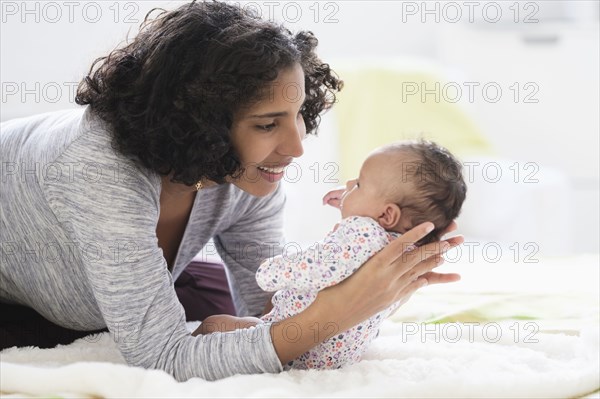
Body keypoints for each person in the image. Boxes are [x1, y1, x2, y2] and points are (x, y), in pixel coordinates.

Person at [0, 1, 463, 381]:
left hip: (110, 286)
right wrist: (339, 310)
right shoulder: (98, 171)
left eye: (299, 113)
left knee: (217, 319)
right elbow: (163, 358)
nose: (297, 146)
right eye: (267, 124)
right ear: (197, 124)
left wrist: (380, 277)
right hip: (14, 298)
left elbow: (273, 307)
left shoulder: (245, 174)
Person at [198, 141, 467, 370]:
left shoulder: (363, 230)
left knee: (214, 325)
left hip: (297, 339)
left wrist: (271, 272)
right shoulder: (401, 250)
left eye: (360, 183)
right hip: (336, 351)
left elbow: (323, 265)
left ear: (386, 215)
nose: (349, 183)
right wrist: (354, 203)